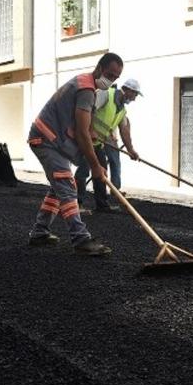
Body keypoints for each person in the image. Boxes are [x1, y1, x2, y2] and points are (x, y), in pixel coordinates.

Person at [27, 52, 123, 255]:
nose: (111, 80)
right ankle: (81, 239)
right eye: (109, 74)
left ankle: (39, 232)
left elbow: (85, 129)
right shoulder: (86, 89)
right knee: (67, 186)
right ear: (99, 68)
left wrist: (92, 135)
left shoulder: (87, 85)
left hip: (51, 140)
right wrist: (95, 166)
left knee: (58, 188)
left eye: (115, 78)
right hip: (46, 139)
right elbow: (81, 133)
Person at [76, 78, 142, 213]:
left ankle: (102, 205)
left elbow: (124, 131)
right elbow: (89, 109)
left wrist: (131, 150)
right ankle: (76, 204)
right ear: (127, 90)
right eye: (134, 94)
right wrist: (90, 130)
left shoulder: (122, 110)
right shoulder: (106, 94)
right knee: (83, 171)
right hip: (85, 140)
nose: (134, 99)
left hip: (98, 144)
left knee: (101, 173)